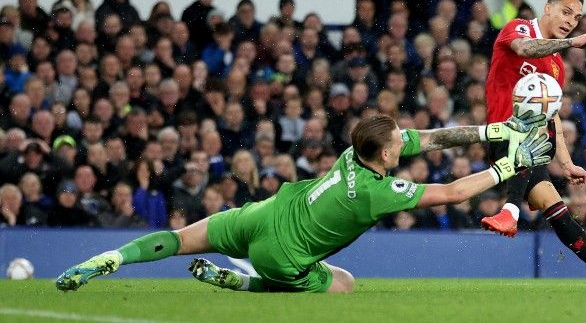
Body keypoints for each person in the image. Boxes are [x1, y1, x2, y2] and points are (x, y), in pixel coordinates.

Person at [56, 114, 551, 293]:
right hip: (282, 256)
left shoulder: (350, 155)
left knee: (181, 239)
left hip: (262, 213)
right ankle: (248, 284)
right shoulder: (380, 192)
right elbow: (454, 192)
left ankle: (112, 258)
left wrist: (493, 132)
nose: (405, 144)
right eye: (398, 142)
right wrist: (510, 164)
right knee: (344, 285)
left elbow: (429, 137)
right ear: (384, 153)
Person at [481, 0, 586, 291]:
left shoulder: (556, 66)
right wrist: (571, 42)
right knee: (530, 126)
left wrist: (567, 163)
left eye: (577, 17)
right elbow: (525, 49)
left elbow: (552, 115)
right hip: (502, 134)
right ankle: (509, 210)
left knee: (559, 212)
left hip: (531, 147)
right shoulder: (519, 28)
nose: (571, 21)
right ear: (547, 8)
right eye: (566, 12)